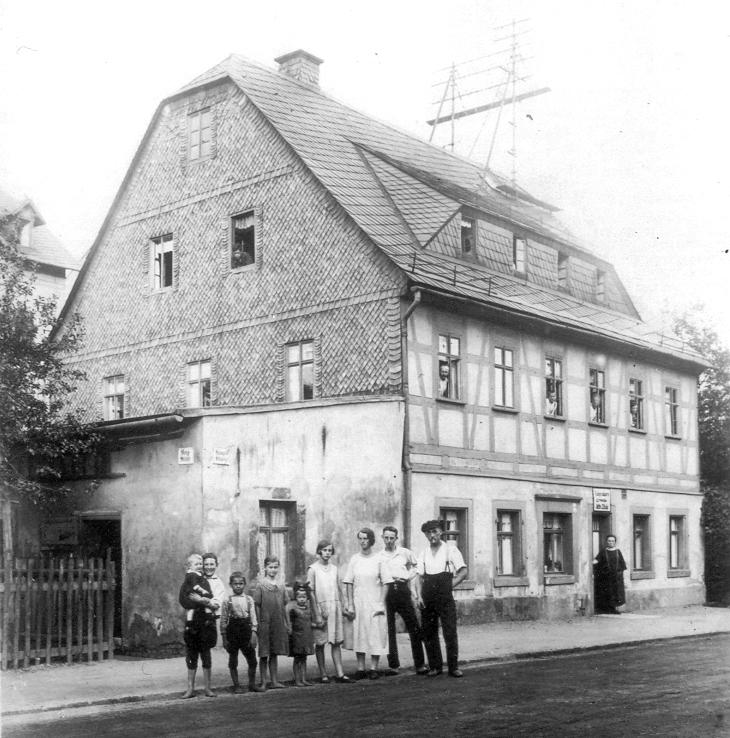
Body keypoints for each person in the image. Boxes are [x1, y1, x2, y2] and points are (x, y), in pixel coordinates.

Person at [416, 520, 467, 678]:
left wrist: (449, 586)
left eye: (435, 531)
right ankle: (435, 666)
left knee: (449, 631)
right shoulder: (423, 553)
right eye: (428, 533)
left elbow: (463, 571)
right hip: (428, 594)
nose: (432, 535)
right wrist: (418, 596)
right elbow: (419, 576)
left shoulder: (450, 550)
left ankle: (453, 667)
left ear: (441, 532)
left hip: (444, 595)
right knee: (429, 632)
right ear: (426, 535)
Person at [342, 527, 392, 679]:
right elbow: (349, 582)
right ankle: (361, 668)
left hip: (375, 602)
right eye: (360, 538)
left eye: (365, 538)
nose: (363, 541)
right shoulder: (355, 559)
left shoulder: (379, 559)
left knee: (376, 633)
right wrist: (350, 603)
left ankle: (373, 668)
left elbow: (387, 582)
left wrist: (380, 603)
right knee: (360, 634)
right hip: (359, 602)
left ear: (371, 540)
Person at [379, 526, 427, 675]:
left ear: (396, 538)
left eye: (391, 538)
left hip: (402, 589)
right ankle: (393, 665)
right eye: (386, 538)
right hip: (387, 590)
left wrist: (408, 575)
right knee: (389, 629)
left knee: (413, 625)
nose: (388, 541)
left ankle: (419, 664)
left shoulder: (404, 553)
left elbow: (417, 565)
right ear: (382, 538)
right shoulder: (379, 556)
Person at [306, 540, 352, 683]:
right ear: (319, 552)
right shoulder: (312, 569)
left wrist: (344, 605)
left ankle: (340, 673)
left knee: (336, 642)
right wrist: (316, 613)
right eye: (324, 550)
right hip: (320, 609)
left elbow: (340, 588)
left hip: (335, 607)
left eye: (329, 550)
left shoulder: (335, 569)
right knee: (320, 643)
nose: (327, 553)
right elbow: (310, 592)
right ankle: (323, 674)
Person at [178, 553, 219, 698]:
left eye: (201, 563)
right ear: (189, 566)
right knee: (191, 655)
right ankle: (190, 688)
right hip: (193, 623)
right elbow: (184, 599)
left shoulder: (205, 581)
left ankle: (208, 688)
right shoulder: (189, 579)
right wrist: (197, 601)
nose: (201, 566)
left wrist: (200, 600)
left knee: (206, 655)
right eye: (198, 564)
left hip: (205, 623)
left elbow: (212, 600)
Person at [252, 556, 291, 690]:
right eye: (270, 567)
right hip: (265, 623)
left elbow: (285, 605)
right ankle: (263, 682)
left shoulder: (281, 585)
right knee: (264, 653)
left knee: (274, 653)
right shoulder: (261, 585)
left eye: (275, 567)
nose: (273, 570)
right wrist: (257, 622)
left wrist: (287, 623)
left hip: (277, 622)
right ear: (265, 568)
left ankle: (274, 681)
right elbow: (256, 605)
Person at [220, 572, 262, 693]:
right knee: (233, 659)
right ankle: (236, 685)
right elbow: (223, 619)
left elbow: (253, 617)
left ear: (244, 584)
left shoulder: (249, 599)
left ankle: (252, 684)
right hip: (232, 631)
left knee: (252, 660)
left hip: (246, 630)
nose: (238, 586)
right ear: (231, 585)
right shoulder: (227, 600)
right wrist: (224, 637)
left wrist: (254, 633)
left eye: (241, 583)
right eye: (235, 584)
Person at [287, 582, 315, 687]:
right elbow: (289, 623)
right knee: (297, 659)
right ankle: (297, 680)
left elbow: (310, 622)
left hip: (306, 638)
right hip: (297, 638)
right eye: (299, 597)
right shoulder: (293, 610)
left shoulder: (309, 610)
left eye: (304, 597)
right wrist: (289, 630)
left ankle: (304, 679)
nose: (302, 599)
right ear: (296, 597)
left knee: (304, 659)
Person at [594, 535, 627, 615]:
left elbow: (622, 564)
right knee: (607, 592)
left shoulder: (618, 552)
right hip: (606, 577)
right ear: (606, 542)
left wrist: (620, 574)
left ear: (615, 542)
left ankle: (613, 609)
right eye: (609, 541)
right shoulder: (603, 551)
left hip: (616, 577)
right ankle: (606, 609)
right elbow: (597, 560)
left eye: (612, 541)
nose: (611, 542)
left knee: (615, 592)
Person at [203, 552, 226, 635]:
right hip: (196, 618)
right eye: (206, 564)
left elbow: (216, 604)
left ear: (216, 565)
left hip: (210, 617)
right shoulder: (198, 579)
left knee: (208, 642)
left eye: (212, 564)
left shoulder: (218, 583)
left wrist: (200, 601)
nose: (209, 567)